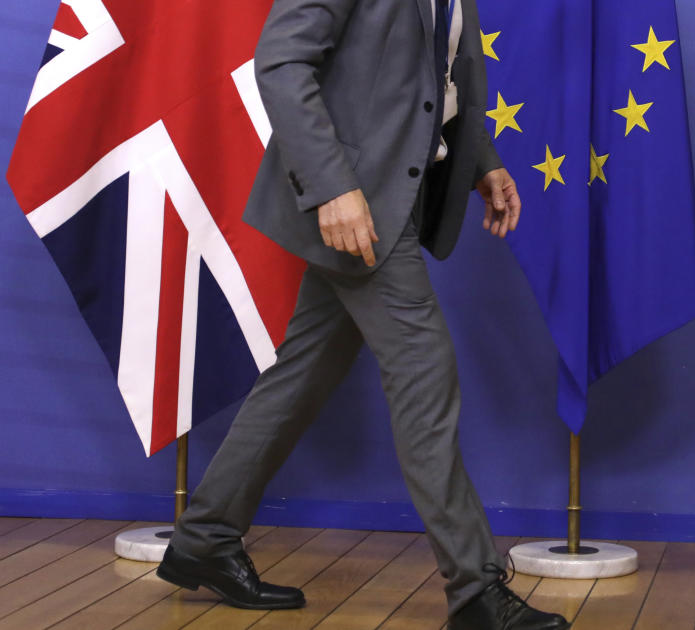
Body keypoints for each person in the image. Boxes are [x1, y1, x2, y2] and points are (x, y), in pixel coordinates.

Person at [155, 1, 569, 628]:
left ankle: (205, 538)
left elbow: (437, 78)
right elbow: (282, 60)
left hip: (390, 200)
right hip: (357, 204)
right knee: (426, 377)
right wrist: (331, 188)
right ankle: (476, 590)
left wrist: (481, 161)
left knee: (302, 374)